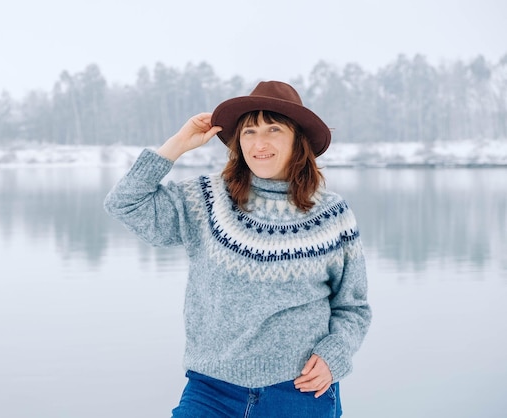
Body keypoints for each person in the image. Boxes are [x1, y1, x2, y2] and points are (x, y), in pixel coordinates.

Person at [104, 81, 371, 417]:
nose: (260, 143)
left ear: (297, 138)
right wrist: (176, 145)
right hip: (210, 391)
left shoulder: (332, 214)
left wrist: (335, 353)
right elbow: (124, 204)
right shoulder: (207, 200)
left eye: (274, 129)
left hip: (298, 391)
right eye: (249, 131)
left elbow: (353, 306)